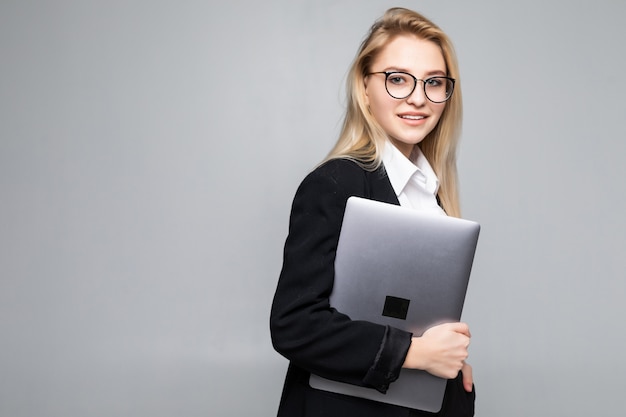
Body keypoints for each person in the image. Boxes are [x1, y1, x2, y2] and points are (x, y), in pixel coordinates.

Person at [270, 7, 475, 417]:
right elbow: (294, 325)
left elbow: (403, 314)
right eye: (397, 79)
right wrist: (415, 354)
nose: (418, 97)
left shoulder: (431, 194)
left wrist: (448, 368)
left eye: (433, 82)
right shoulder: (335, 184)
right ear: (365, 88)